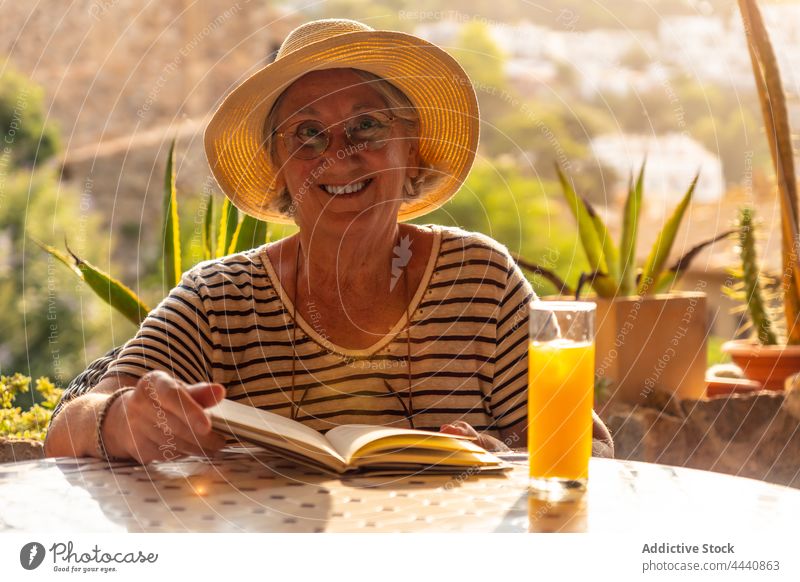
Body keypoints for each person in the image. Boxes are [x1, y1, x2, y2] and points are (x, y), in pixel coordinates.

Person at [44, 18, 613, 464]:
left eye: (366, 125)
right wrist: (122, 419)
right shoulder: (220, 297)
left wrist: (503, 461)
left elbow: (587, 449)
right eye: (307, 135)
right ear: (279, 169)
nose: (338, 152)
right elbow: (65, 430)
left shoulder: (479, 279)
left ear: (410, 150)